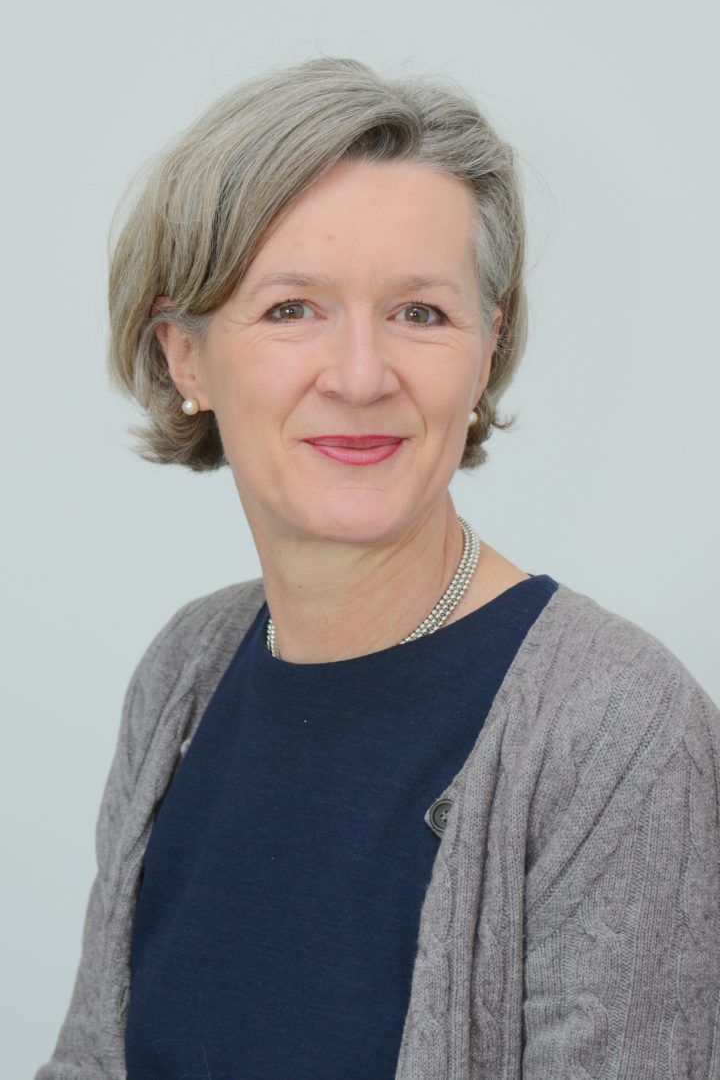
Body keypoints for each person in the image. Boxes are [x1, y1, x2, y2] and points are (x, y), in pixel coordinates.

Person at [35, 58, 720, 1080]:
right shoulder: (185, 673)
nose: (361, 376)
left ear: (486, 350)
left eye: (420, 313)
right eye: (292, 308)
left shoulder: (618, 728)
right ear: (186, 357)